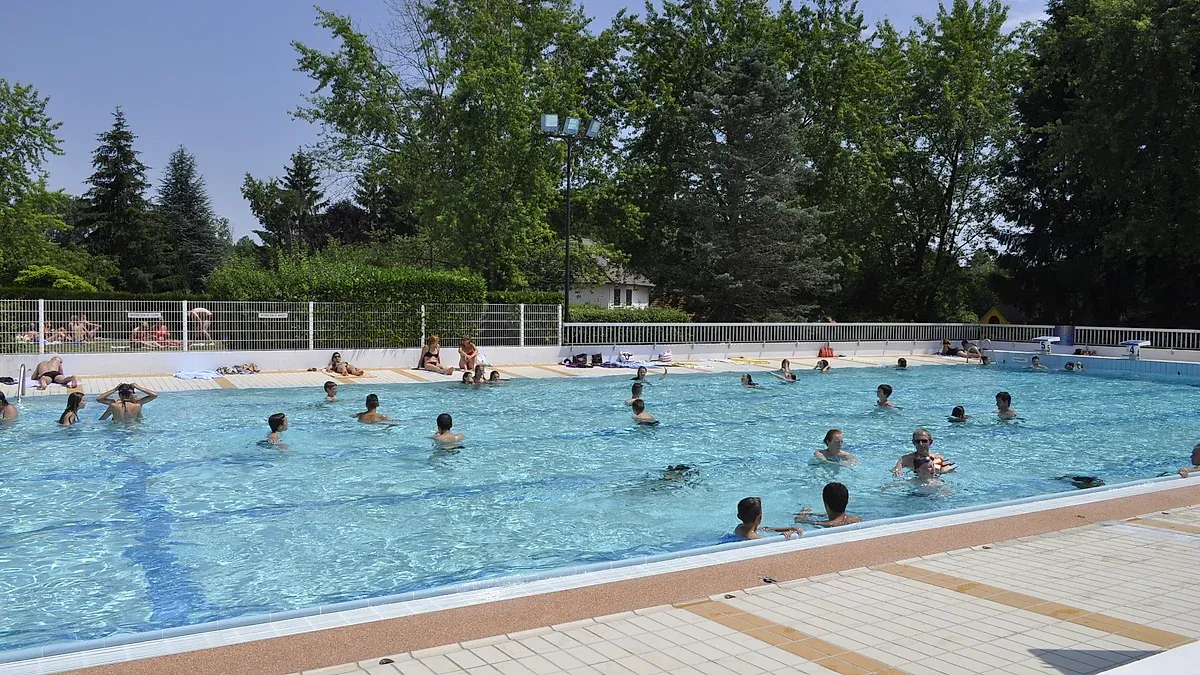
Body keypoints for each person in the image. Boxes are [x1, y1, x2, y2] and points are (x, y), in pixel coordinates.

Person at [795, 482, 862, 528]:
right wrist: (814, 514)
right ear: (847, 502)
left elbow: (799, 520)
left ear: (825, 504)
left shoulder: (829, 524)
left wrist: (802, 514)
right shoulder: (856, 519)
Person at [734, 497, 801, 540]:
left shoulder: (739, 528)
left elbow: (765, 529)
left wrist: (789, 528)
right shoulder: (755, 538)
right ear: (759, 517)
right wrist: (781, 536)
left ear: (739, 516)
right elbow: (771, 542)